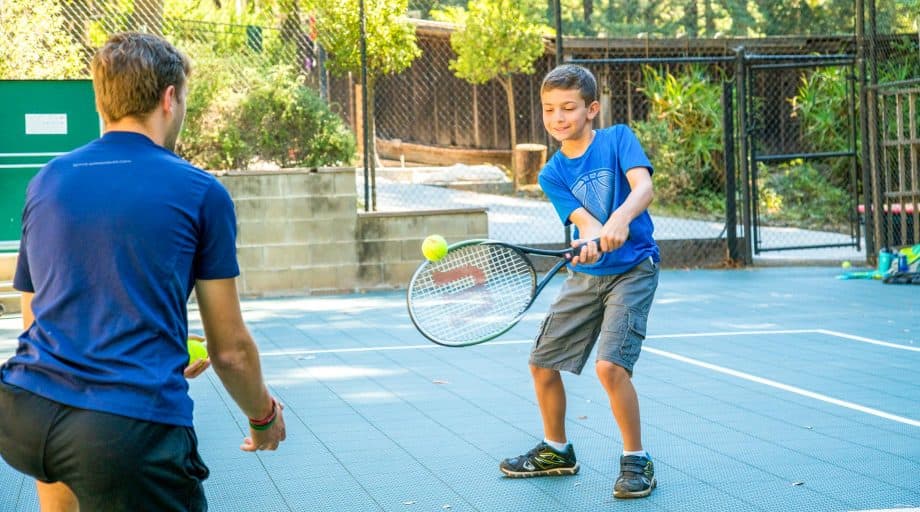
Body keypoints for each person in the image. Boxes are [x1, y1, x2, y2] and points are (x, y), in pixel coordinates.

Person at [0, 32, 286, 511]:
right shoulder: (200, 191)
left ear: (102, 101)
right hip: (122, 431)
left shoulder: (46, 180)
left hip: (25, 414)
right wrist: (263, 417)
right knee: (101, 454)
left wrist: (158, 355)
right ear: (169, 99)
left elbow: (37, 320)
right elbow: (231, 351)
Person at [499, 64, 660, 500]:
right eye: (549, 109)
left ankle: (636, 459)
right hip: (586, 276)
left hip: (633, 270)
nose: (558, 118)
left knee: (610, 367)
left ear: (591, 109)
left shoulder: (617, 139)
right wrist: (592, 236)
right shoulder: (551, 173)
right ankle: (557, 451)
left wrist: (622, 219)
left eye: (568, 108)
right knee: (541, 363)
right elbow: (584, 222)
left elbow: (642, 188)